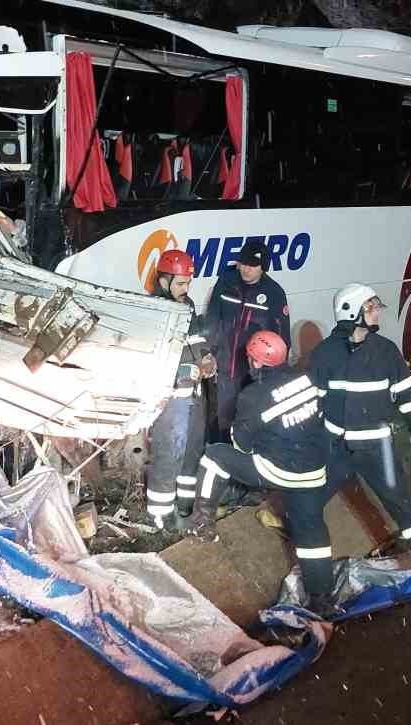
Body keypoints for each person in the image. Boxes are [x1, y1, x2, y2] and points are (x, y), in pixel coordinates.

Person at [307, 283, 411, 601]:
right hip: (336, 449)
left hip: (377, 448)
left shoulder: (386, 351)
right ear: (351, 311)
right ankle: (316, 587)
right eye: (371, 306)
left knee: (406, 507)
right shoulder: (325, 354)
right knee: (307, 502)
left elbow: (407, 397)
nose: (377, 311)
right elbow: (312, 405)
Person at [186, 331, 337, 614]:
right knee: (311, 530)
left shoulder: (254, 395)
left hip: (279, 470)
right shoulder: (306, 379)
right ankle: (322, 599)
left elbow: (241, 446)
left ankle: (202, 520)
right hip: (315, 469)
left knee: (215, 455)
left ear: (256, 361)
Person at [143, 249, 215, 529]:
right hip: (171, 398)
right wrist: (185, 371)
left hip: (194, 394)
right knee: (168, 453)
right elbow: (153, 358)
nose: (186, 289)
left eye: (188, 283)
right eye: (181, 284)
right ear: (164, 281)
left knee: (192, 450)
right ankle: (161, 516)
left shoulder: (187, 304)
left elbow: (195, 338)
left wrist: (206, 356)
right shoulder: (154, 310)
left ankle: (184, 505)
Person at [205, 239, 291, 443]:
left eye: (252, 265)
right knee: (223, 417)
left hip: (255, 373)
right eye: (243, 263)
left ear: (263, 268)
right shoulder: (226, 282)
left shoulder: (274, 293)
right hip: (225, 367)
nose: (246, 269)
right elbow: (212, 320)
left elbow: (282, 338)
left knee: (250, 419)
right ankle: (223, 457)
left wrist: (274, 375)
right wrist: (209, 353)